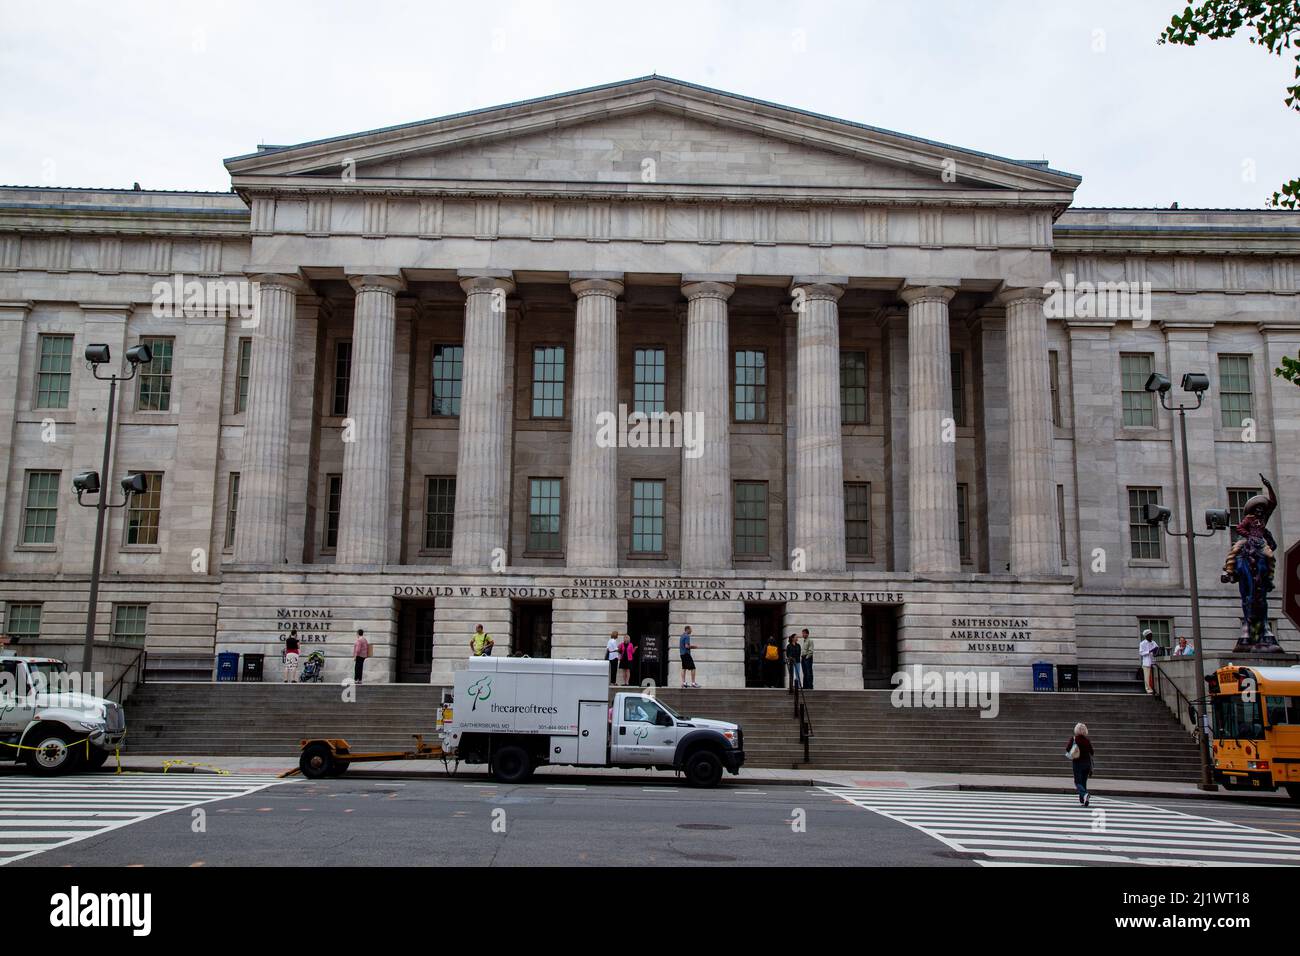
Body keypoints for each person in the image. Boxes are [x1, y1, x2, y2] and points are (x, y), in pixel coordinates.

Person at [1066, 722, 1095, 806]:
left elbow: (1067, 749)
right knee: (1083, 782)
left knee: (1077, 782)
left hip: (1077, 763)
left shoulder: (1074, 739)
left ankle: (1085, 795)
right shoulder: (1087, 740)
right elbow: (1092, 752)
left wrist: (1075, 751)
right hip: (1087, 764)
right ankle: (1084, 800)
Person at [1138, 629, 1159, 694]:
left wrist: (1156, 650)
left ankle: (1155, 689)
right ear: (1146, 636)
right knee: (1147, 677)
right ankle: (1148, 690)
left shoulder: (1154, 642)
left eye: (1151, 635)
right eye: (1150, 635)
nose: (1151, 636)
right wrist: (1149, 651)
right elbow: (1141, 653)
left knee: (1154, 677)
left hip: (1153, 661)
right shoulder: (1142, 643)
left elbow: (1157, 649)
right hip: (1146, 662)